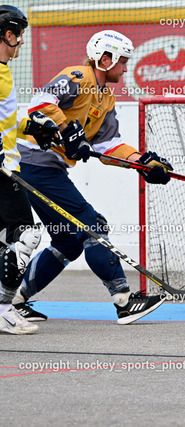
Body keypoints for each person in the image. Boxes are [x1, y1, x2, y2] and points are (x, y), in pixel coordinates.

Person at [12, 30, 174, 325]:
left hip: (50, 169)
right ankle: (124, 301)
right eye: (122, 61)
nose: (125, 68)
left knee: (67, 242)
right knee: (93, 225)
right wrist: (66, 128)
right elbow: (40, 102)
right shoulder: (77, 76)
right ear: (105, 59)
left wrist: (141, 162)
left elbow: (106, 144)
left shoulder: (107, 97)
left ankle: (15, 300)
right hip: (36, 165)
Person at [0, 5, 61, 334]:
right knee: (27, 235)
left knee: (7, 240)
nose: (21, 42)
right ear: (8, 35)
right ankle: (5, 309)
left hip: (9, 165)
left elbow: (6, 120)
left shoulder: (4, 70)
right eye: (19, 35)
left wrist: (32, 127)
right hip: (3, 171)